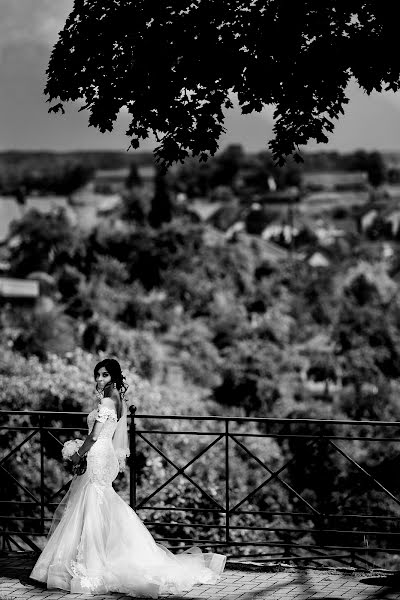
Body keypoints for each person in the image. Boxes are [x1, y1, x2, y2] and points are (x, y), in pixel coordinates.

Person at [29, 358, 226, 596]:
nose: (99, 379)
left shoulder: (106, 401)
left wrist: (77, 455)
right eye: (97, 375)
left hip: (96, 455)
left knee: (90, 503)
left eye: (104, 375)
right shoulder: (119, 400)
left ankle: (88, 567)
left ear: (113, 376)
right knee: (97, 503)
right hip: (106, 455)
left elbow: (94, 437)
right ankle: (90, 559)